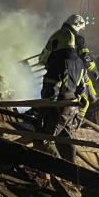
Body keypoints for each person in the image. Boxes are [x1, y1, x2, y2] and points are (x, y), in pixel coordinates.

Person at [36, 14, 91, 158]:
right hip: (68, 104)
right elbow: (82, 93)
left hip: (55, 100)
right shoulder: (78, 61)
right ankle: (70, 171)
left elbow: (43, 59)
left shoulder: (56, 49)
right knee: (63, 137)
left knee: (49, 136)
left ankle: (58, 170)